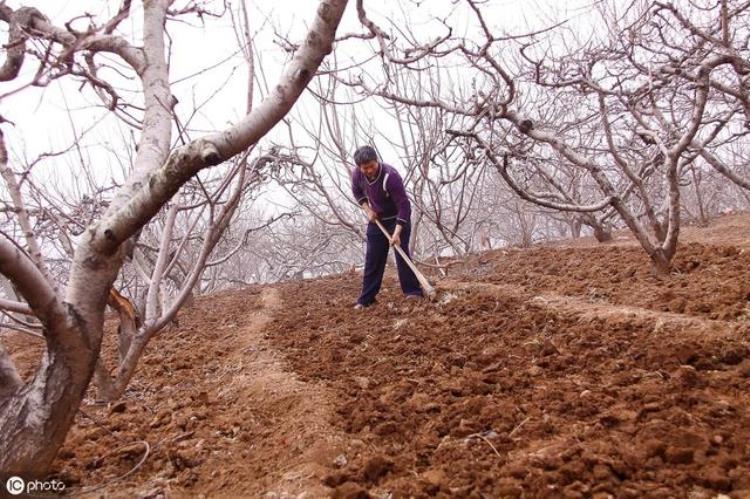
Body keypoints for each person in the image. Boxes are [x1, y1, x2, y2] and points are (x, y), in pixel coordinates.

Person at [351, 145, 423, 309]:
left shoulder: (390, 176)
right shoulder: (357, 175)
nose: (369, 170)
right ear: (359, 167)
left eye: (371, 165)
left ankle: (413, 292)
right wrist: (367, 209)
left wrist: (397, 232)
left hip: (398, 218)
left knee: (401, 253)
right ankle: (366, 299)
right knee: (373, 259)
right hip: (377, 220)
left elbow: (404, 206)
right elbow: (357, 192)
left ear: (377, 161)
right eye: (365, 168)